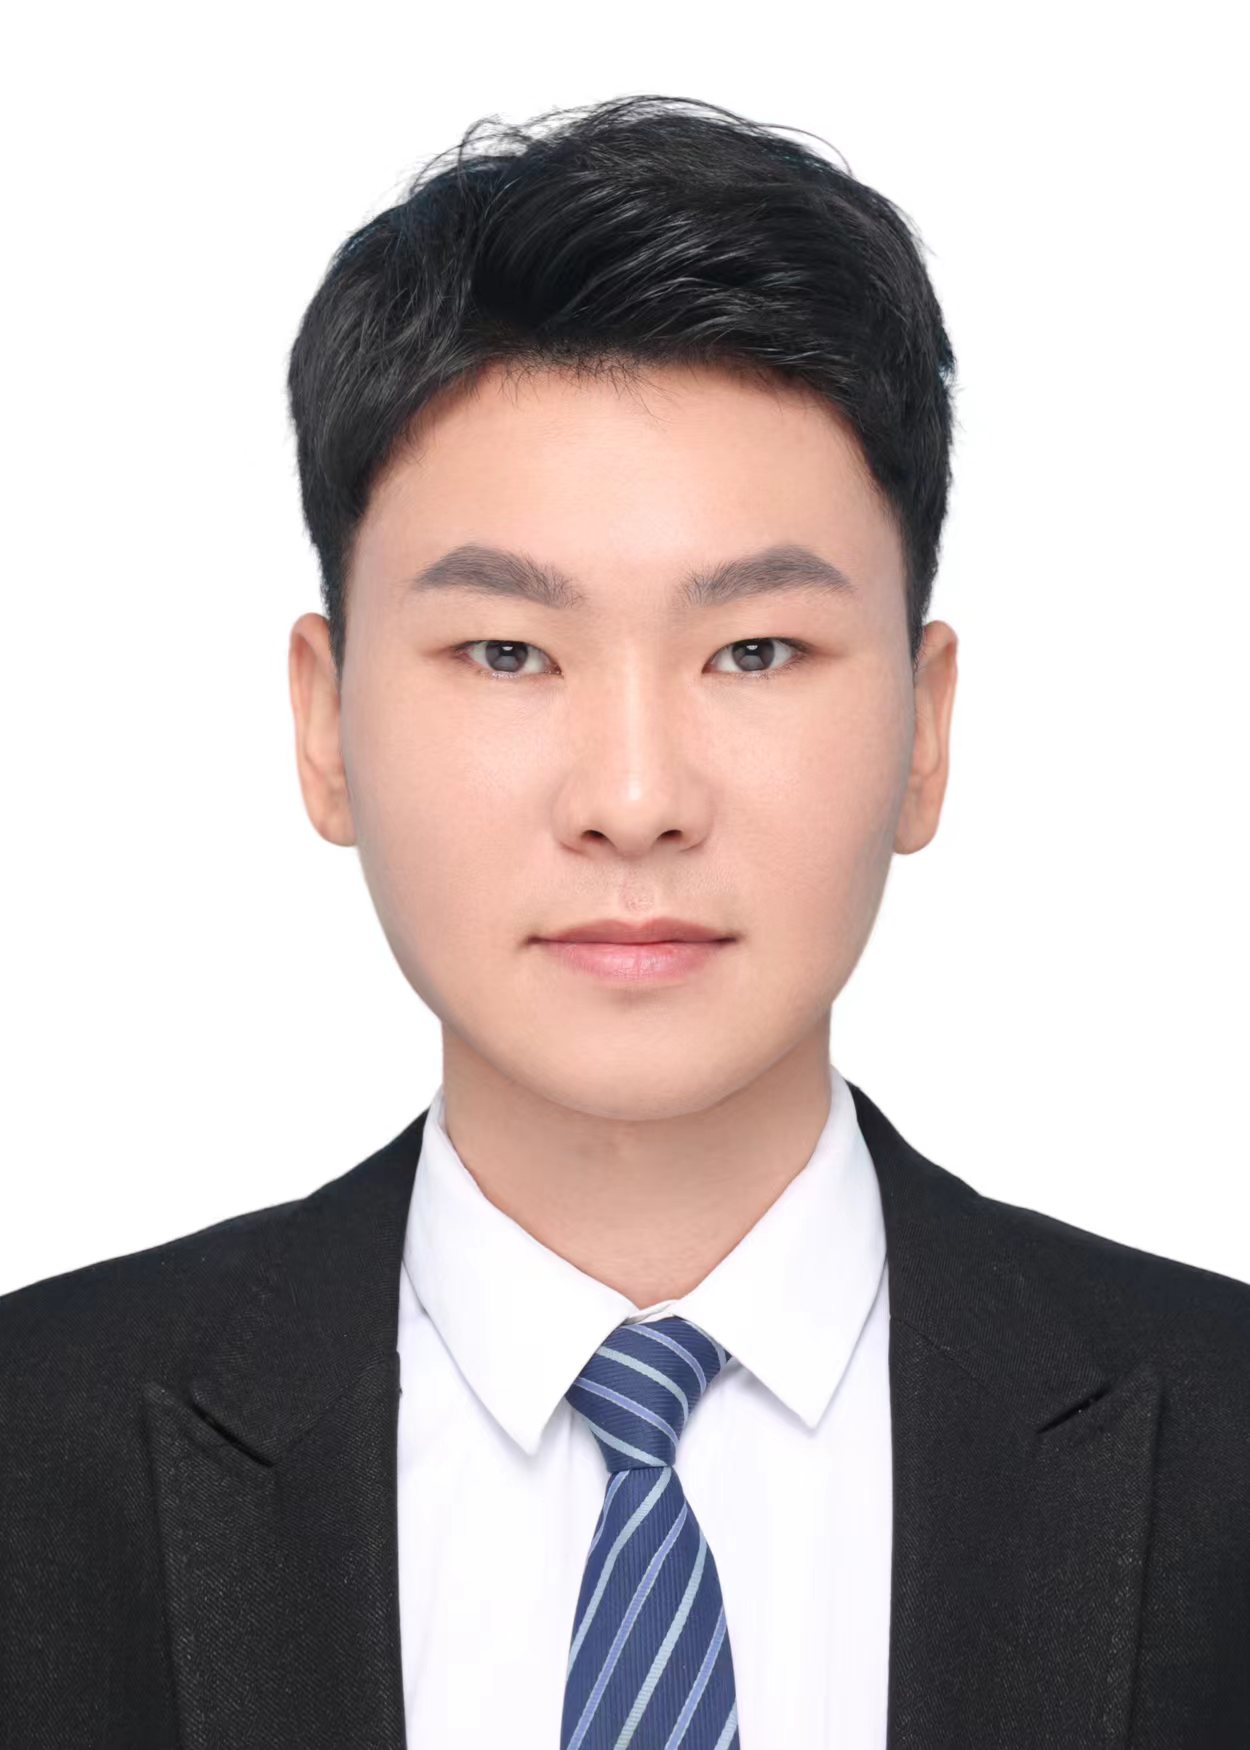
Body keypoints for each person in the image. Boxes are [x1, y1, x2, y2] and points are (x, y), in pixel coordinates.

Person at [2, 92, 1247, 1750]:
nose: (636, 796)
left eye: (754, 651)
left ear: (924, 729)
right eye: (508, 652)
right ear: (325, 723)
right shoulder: (35, 1450)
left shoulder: (1220, 1446)